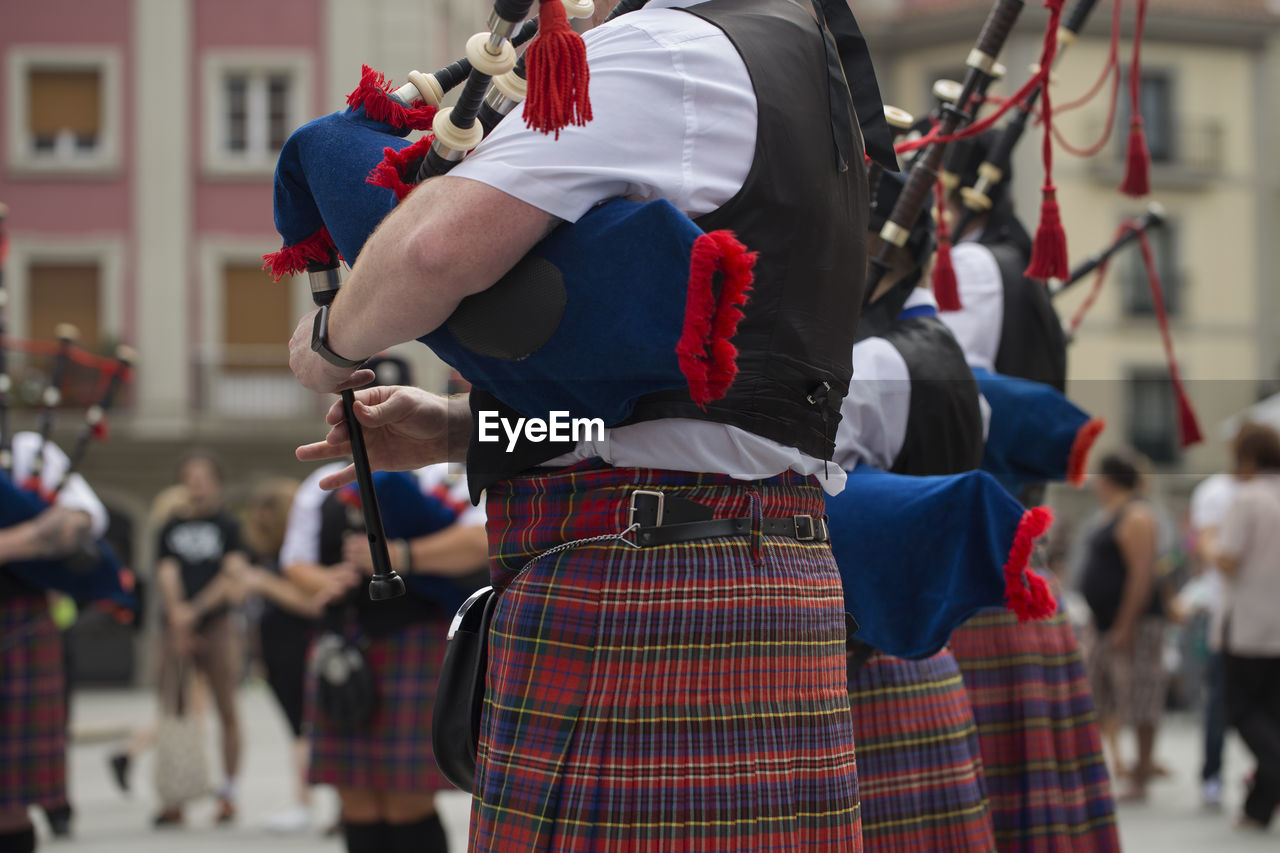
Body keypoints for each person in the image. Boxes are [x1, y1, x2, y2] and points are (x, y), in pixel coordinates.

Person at [286, 0, 890, 848]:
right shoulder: (805, 69)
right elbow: (689, 415)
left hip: (640, 584)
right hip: (767, 572)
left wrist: (327, 333)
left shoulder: (663, 49)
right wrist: (461, 429)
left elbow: (433, 249)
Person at [281, 459, 487, 853]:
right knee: (354, 797)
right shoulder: (320, 484)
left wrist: (399, 555)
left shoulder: (444, 473)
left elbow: (480, 543)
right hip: (342, 649)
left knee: (406, 797)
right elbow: (295, 562)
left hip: (415, 642)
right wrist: (328, 580)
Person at [1, 432, 109, 853]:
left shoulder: (27, 450)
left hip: (15, 626)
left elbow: (80, 520)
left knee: (8, 802)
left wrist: (9, 544)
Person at [151, 451, 250, 826]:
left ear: (216, 482)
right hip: (177, 627)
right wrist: (178, 616)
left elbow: (233, 573)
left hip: (217, 625)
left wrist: (195, 610)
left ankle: (227, 794)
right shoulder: (169, 526)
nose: (196, 484)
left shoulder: (229, 526)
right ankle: (175, 794)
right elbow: (166, 571)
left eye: (203, 476)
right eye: (189, 477)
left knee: (227, 709)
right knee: (174, 708)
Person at [238, 477, 329, 833]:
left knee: (305, 728)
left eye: (267, 513)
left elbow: (311, 605)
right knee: (299, 729)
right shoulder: (268, 556)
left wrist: (263, 583)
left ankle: (305, 804)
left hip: (301, 648)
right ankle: (308, 803)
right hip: (277, 652)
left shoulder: (302, 556)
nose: (260, 521)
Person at [1080, 451, 1167, 802]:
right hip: (1104, 622)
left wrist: (1125, 625)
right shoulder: (1110, 515)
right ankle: (1111, 766)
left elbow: (1141, 573)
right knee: (1098, 695)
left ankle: (1142, 770)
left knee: (1141, 695)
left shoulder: (1137, 515)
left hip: (1133, 622)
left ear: (1107, 479)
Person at [1215, 422, 1280, 831]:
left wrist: (1205, 544)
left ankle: (1270, 780)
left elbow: (1228, 559)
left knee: (1240, 709)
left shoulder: (1249, 498)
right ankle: (1259, 808)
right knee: (1272, 713)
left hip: (1248, 625)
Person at [1187, 466, 1241, 809]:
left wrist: (1208, 543)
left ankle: (1213, 778)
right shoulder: (1220, 491)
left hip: (1236, 618)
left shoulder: (1222, 494)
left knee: (1223, 702)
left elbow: (1219, 559)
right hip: (1232, 615)